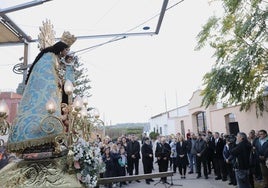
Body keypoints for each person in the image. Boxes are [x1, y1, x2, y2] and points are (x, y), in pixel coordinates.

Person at [7, 31, 76, 154]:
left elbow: (62, 80)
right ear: (61, 48)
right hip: (46, 97)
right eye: (66, 49)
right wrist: (58, 83)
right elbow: (45, 78)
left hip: (55, 95)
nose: (67, 52)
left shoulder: (54, 58)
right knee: (48, 118)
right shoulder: (49, 57)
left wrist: (64, 75)